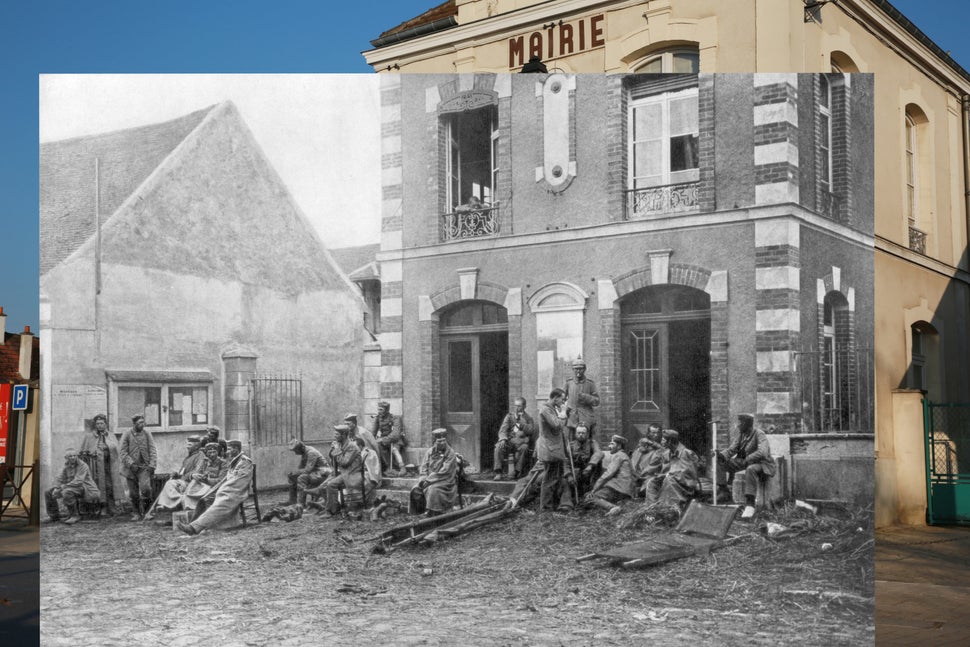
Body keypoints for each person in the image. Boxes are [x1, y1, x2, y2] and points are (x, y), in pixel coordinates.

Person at [178, 439, 253, 535]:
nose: (227, 452)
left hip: (238, 492)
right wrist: (216, 488)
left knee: (220, 503)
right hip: (228, 489)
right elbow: (226, 479)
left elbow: (239, 482)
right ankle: (193, 525)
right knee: (204, 499)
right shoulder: (234, 461)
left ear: (236, 449)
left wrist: (221, 489)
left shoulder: (244, 462)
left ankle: (194, 528)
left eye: (230, 449)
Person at [717, 413, 776, 519]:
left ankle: (750, 504)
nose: (737, 425)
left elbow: (763, 452)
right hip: (746, 462)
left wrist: (747, 459)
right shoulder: (741, 435)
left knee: (750, 469)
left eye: (740, 423)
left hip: (763, 464)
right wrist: (721, 455)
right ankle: (723, 490)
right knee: (722, 461)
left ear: (746, 424)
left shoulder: (759, 434)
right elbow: (731, 450)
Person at [144, 435, 206, 521]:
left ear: (196, 446)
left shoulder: (200, 456)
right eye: (187, 445)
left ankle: (176, 502)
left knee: (170, 484)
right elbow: (182, 472)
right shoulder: (187, 458)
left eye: (190, 445)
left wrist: (187, 476)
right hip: (184, 481)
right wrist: (176, 474)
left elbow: (197, 472)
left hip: (193, 483)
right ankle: (168, 504)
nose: (187, 447)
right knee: (170, 483)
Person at [308, 424, 363, 517]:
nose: (335, 437)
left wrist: (337, 450)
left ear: (344, 435)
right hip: (344, 472)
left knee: (331, 485)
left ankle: (332, 511)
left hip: (352, 473)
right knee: (323, 487)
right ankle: (329, 506)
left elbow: (345, 462)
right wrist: (333, 450)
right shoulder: (342, 444)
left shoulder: (352, 446)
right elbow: (334, 461)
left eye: (337, 435)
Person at [78, 413, 125, 516]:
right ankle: (102, 507)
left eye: (102, 423)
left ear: (105, 424)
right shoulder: (90, 436)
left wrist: (108, 448)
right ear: (95, 425)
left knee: (110, 485)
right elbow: (84, 452)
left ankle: (111, 507)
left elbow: (117, 449)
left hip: (110, 465)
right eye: (98, 423)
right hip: (96, 467)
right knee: (99, 485)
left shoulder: (111, 435)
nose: (100, 425)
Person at [644, 429, 699, 507]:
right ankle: (652, 508)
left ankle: (666, 508)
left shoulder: (686, 453)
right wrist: (662, 475)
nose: (661, 441)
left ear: (670, 441)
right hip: (672, 480)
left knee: (669, 480)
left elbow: (689, 475)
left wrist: (669, 475)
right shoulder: (668, 453)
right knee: (652, 482)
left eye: (664, 439)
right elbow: (666, 470)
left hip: (685, 485)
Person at [45, 448, 101, 524]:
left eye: (74, 455)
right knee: (48, 492)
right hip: (71, 486)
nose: (73, 457)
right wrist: (56, 488)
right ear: (66, 458)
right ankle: (54, 516)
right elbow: (59, 478)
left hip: (86, 487)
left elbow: (78, 481)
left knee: (67, 492)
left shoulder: (83, 465)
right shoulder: (66, 466)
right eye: (70, 456)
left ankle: (74, 515)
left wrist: (62, 487)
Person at [410, 428, 458, 516]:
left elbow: (445, 471)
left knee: (433, 489)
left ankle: (433, 512)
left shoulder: (450, 453)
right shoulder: (429, 452)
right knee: (415, 489)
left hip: (445, 480)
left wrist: (429, 481)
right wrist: (423, 478)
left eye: (444, 440)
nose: (442, 443)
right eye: (439, 441)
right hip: (430, 479)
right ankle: (420, 512)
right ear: (435, 442)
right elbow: (424, 467)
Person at [536, 388, 569, 512]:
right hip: (550, 450)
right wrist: (564, 412)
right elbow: (557, 425)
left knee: (554, 477)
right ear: (555, 397)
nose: (563, 401)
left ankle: (550, 505)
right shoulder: (545, 409)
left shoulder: (551, 409)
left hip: (553, 449)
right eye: (562, 398)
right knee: (549, 478)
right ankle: (545, 508)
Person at [584, 436, 635, 516]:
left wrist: (594, 489)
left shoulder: (619, 455)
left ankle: (612, 507)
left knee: (591, 498)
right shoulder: (624, 455)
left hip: (618, 488)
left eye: (612, 444)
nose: (609, 446)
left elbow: (608, 474)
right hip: (624, 489)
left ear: (619, 446)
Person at [119, 414, 157, 521]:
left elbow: (152, 450)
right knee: (133, 492)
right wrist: (131, 464)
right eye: (139, 423)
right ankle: (136, 513)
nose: (142, 425)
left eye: (143, 422)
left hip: (144, 467)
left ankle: (147, 512)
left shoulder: (147, 434)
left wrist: (152, 465)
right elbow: (122, 452)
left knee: (146, 489)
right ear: (134, 423)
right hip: (130, 468)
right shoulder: (127, 434)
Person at [492, 397, 535, 480]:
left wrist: (521, 422)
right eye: (515, 406)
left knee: (525, 448)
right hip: (510, 441)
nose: (517, 408)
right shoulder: (509, 416)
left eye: (519, 406)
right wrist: (503, 439)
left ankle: (516, 472)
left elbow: (530, 431)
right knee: (498, 446)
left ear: (524, 406)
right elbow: (503, 430)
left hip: (521, 442)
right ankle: (498, 472)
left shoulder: (528, 418)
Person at [179, 442, 228, 512]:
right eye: (209, 452)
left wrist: (207, 480)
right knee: (190, 489)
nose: (212, 454)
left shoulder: (223, 463)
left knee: (202, 494)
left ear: (218, 452)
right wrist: (197, 476)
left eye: (214, 452)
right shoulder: (204, 462)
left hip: (215, 487)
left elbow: (221, 480)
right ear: (206, 453)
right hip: (203, 485)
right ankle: (191, 509)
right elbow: (198, 472)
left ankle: (198, 510)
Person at [286, 438, 328, 507]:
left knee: (301, 478)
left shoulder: (311, 452)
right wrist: (293, 473)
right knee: (291, 476)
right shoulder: (304, 452)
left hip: (323, 473)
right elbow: (301, 468)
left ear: (301, 448)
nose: (295, 453)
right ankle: (292, 500)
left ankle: (301, 504)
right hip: (315, 472)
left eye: (296, 450)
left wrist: (296, 472)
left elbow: (308, 469)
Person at [564, 358, 599, 440]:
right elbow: (562, 398)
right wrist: (565, 409)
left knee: (587, 440)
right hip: (572, 417)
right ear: (573, 369)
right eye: (576, 369)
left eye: (580, 368)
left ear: (585, 369)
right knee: (571, 440)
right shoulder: (569, 383)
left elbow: (597, 401)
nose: (578, 371)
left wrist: (586, 397)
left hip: (586, 417)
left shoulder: (590, 384)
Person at [371, 401, 406, 475]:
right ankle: (388, 467)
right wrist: (371, 440)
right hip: (384, 440)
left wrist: (383, 439)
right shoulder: (378, 418)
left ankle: (402, 468)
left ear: (387, 410)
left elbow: (396, 434)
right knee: (378, 446)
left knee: (394, 450)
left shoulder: (395, 418)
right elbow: (373, 432)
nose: (379, 412)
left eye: (381, 410)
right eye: (378, 409)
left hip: (396, 440)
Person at [631, 424, 666, 495]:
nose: (656, 435)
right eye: (653, 433)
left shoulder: (659, 450)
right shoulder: (639, 448)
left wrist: (652, 443)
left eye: (657, 433)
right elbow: (633, 461)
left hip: (649, 475)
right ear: (648, 433)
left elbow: (653, 467)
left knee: (648, 485)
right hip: (635, 475)